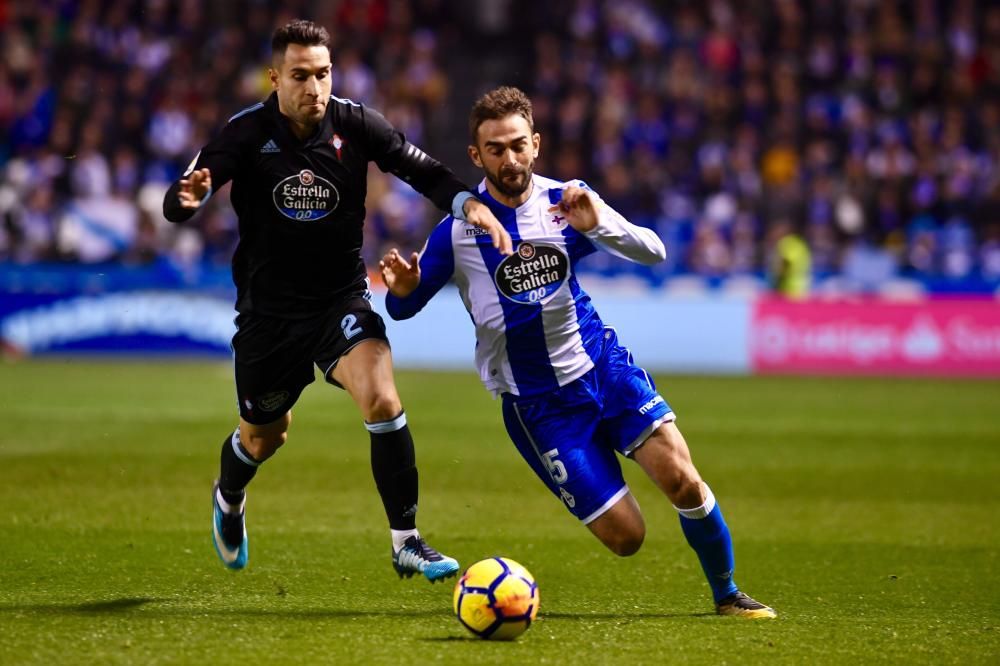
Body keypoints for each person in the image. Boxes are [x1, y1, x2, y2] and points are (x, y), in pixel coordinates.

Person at [380, 86, 775, 617]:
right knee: (626, 537)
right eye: (495, 149)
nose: (510, 158)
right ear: (476, 156)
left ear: (536, 144)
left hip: (603, 368)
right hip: (538, 407)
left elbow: (654, 252)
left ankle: (727, 594)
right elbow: (402, 311)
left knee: (683, 477)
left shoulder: (565, 201)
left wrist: (599, 226)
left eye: (518, 145)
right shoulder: (457, 232)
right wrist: (403, 290)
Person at [162, 20, 512, 581]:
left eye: (323, 74)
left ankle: (407, 540)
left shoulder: (356, 123)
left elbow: (424, 170)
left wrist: (468, 205)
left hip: (340, 300)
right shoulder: (245, 133)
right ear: (275, 78)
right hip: (267, 315)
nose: (314, 88)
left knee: (382, 400)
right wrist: (187, 202)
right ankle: (228, 496)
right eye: (300, 75)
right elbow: (183, 195)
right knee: (264, 435)